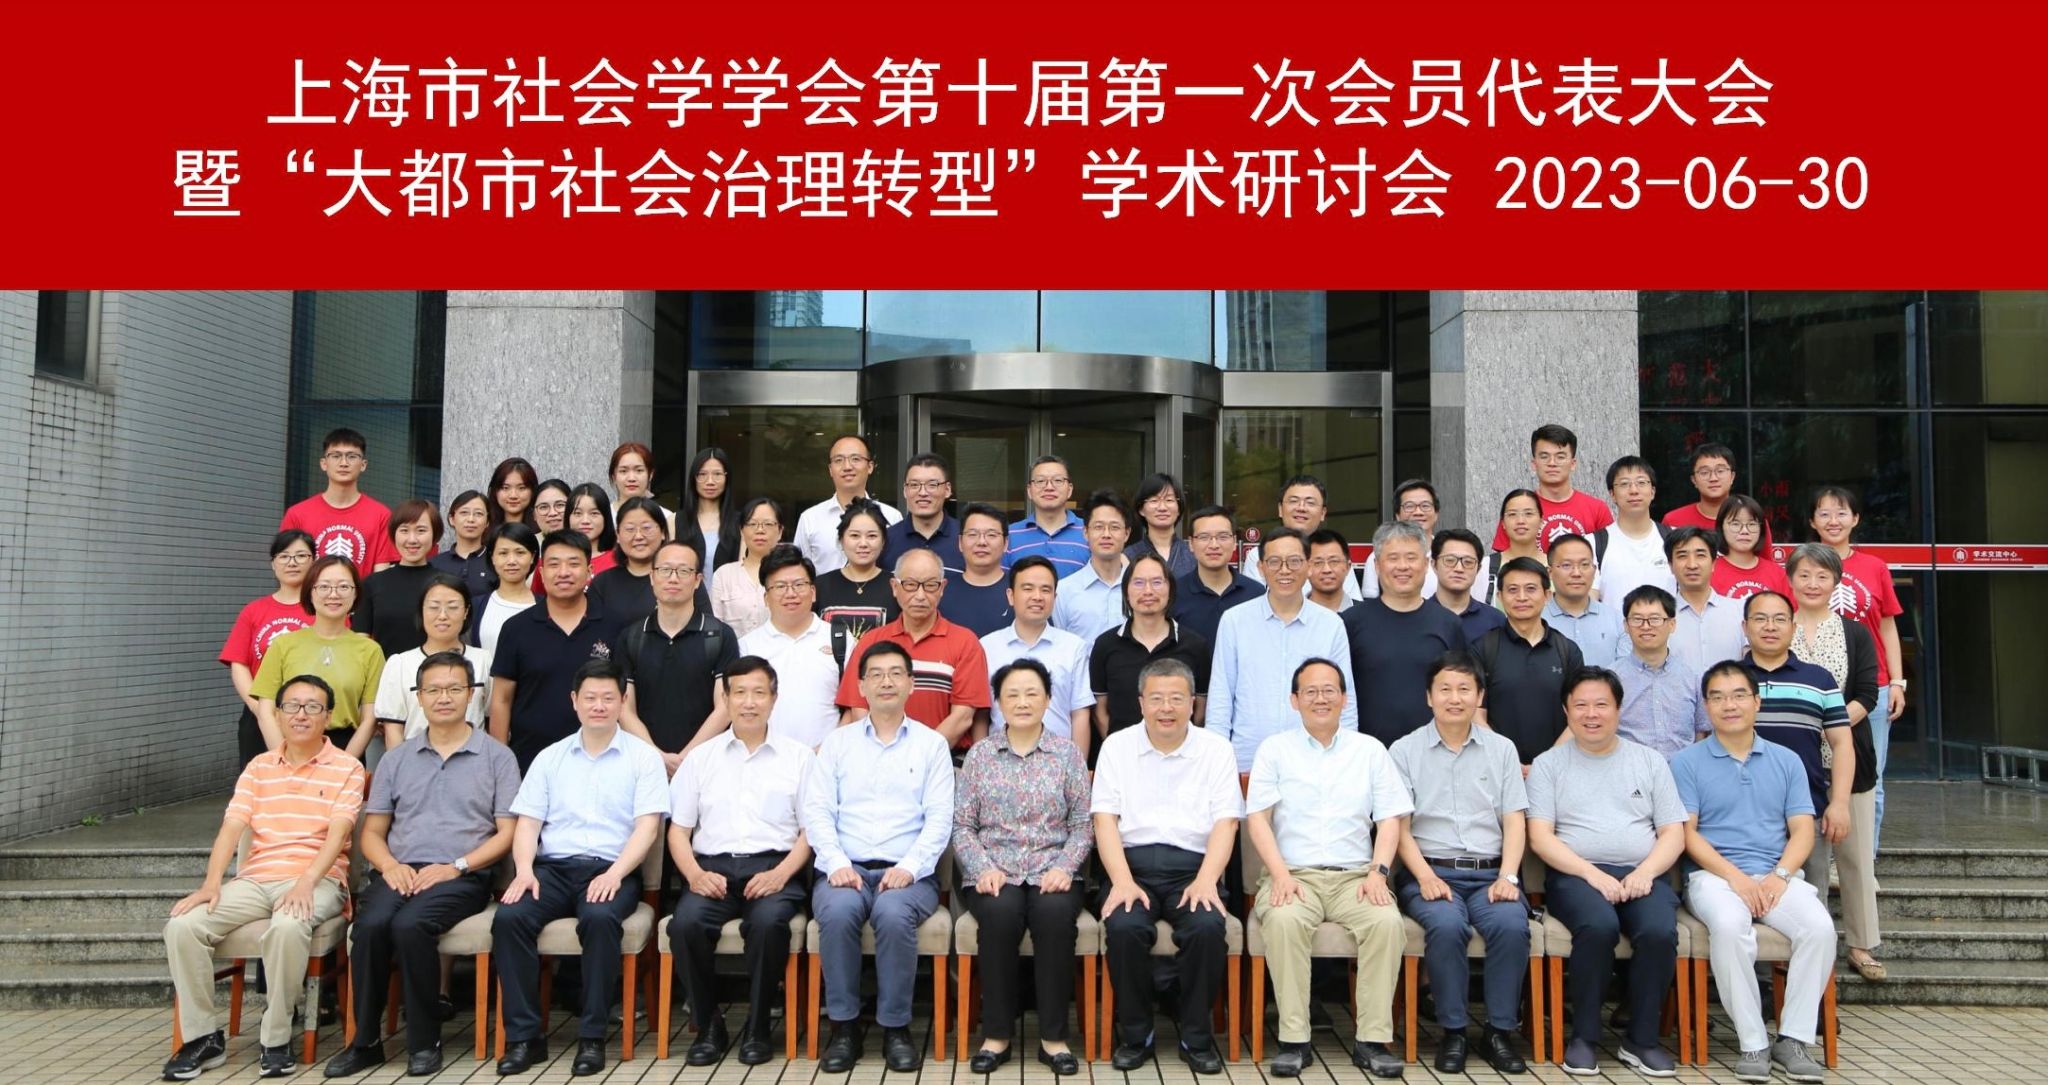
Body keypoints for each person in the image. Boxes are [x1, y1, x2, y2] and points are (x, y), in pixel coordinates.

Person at [162, 675, 367, 1082]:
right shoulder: (259, 768)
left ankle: (275, 1039)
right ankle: (203, 1038)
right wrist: (212, 882)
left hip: (319, 879)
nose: (301, 715)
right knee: (183, 925)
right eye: (292, 706)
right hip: (256, 879)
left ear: (328, 717)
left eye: (312, 707)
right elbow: (231, 828)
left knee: (288, 925)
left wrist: (307, 880)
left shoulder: (347, 767)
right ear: (278, 714)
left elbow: (339, 834)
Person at [326, 652, 520, 1079]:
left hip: (462, 874)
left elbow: (507, 833)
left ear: (472, 695)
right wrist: (390, 866)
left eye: (454, 689)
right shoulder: (396, 759)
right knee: (370, 926)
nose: (443, 698)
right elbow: (372, 832)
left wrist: (457, 866)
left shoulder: (497, 757)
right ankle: (365, 1043)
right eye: (433, 690)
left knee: (411, 925)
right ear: (418, 697)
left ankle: (424, 1041)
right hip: (400, 869)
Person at [492, 659, 668, 1077]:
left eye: (608, 698)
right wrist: (523, 870)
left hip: (612, 869)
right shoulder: (550, 758)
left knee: (600, 918)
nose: (599, 706)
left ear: (622, 701)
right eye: (590, 698)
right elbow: (528, 823)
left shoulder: (643, 758)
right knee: (510, 918)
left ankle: (592, 1037)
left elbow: (647, 828)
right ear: (574, 701)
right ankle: (524, 1038)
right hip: (551, 870)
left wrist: (615, 874)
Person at [1247, 659, 1412, 1080]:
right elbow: (1258, 819)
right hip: (1293, 875)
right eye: (1310, 691)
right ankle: (1293, 1041)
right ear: (1294, 700)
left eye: (1329, 690)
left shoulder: (1369, 750)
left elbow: (1390, 819)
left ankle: (1371, 1041)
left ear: (1344, 698)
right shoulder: (1274, 749)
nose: (1320, 698)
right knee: (1284, 921)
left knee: (1386, 923)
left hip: (1356, 876)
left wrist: (1378, 873)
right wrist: (1280, 875)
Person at [1674, 662, 1836, 1085]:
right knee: (1730, 927)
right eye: (1717, 697)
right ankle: (1752, 1041)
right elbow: (1688, 835)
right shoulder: (1686, 762)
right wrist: (1736, 878)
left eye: (1738, 695)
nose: (1729, 705)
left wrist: (1780, 875)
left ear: (1756, 702)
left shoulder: (1787, 761)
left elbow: (1803, 830)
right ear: (1706, 706)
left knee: (1819, 928)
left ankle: (1793, 1039)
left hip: (1775, 874)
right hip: (1713, 877)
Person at [804, 641, 956, 1074]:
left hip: (910, 873)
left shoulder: (931, 745)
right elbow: (817, 811)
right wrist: (836, 863)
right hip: (844, 869)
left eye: (895, 673)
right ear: (861, 686)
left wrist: (909, 867)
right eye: (876, 674)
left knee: (892, 914)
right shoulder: (837, 744)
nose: (886, 682)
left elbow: (940, 819)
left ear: (911, 683)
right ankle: (844, 1028)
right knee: (837, 913)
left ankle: (896, 1028)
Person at [1526, 667, 1685, 1077]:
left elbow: (1673, 833)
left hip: (1642, 874)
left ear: (1618, 709)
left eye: (1601, 704)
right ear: (1566, 711)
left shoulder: (1649, 761)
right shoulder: (1549, 765)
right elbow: (1540, 837)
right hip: (1576, 876)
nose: (1591, 714)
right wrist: (1590, 874)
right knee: (1598, 926)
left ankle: (1642, 1040)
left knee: (1658, 931)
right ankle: (1584, 1037)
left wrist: (1646, 872)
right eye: (1580, 705)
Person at [1094, 658, 1244, 1075]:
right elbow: (1104, 820)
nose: (1166, 708)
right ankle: (1136, 1035)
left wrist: (1207, 881)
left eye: (1176, 698)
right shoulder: (1117, 747)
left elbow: (1227, 822)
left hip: (1193, 870)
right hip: (1132, 868)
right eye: (1156, 698)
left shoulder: (1216, 750)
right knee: (1124, 927)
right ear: (1141, 702)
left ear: (1193, 703)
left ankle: (1196, 1037)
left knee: (1207, 927)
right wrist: (1121, 881)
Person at [667, 656, 815, 1067]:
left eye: (759, 693)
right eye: (740, 693)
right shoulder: (701, 758)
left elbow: (811, 831)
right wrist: (694, 874)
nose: (749, 702)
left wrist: (781, 874)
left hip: (774, 867)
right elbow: (678, 831)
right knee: (685, 925)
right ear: (726, 699)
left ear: (774, 698)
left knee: (768, 925)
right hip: (711, 869)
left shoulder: (799, 758)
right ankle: (708, 1024)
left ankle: (758, 1025)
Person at [1390, 653, 1531, 1076]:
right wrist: (1424, 876)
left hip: (1491, 873)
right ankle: (1453, 1031)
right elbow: (1398, 827)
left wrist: (1509, 876)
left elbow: (1515, 819)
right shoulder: (1404, 750)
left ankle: (1499, 1032)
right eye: (1445, 689)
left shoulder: (1502, 749)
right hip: (1430, 872)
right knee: (1447, 926)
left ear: (1479, 696)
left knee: (1511, 926)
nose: (1455, 698)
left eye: (1464, 689)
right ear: (1429, 697)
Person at [955, 659, 1092, 1076]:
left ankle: (1054, 1040)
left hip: (1054, 870)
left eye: (1032, 693)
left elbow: (1083, 824)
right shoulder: (981, 755)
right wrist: (982, 868)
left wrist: (1065, 867)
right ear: (998, 703)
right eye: (1012, 694)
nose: (1023, 702)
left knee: (1053, 916)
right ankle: (996, 1036)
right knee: (999, 914)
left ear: (1048, 700)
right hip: (994, 870)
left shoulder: (1067, 754)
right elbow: (962, 826)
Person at [1786, 543, 1885, 982]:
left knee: (1854, 856)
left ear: (1836, 582)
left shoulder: (1855, 633)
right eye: (1804, 575)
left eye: (1822, 576)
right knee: (1802, 858)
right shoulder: (1778, 626)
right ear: (1791, 580)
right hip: (1793, 764)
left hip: (1848, 757)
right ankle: (1804, 942)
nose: (1812, 584)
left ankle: (1861, 945)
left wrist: (1833, 723)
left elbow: (1868, 692)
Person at [1211, 527, 1356, 771]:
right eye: (1274, 562)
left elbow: (1345, 700)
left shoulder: (1331, 625)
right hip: (1248, 759)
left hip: (1315, 761)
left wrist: (1346, 760)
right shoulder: (1234, 621)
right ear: (1261, 568)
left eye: (1294, 561)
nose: (1285, 570)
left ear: (1308, 566)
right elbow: (1221, 697)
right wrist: (1217, 762)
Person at [1738, 593, 1855, 894]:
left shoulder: (1819, 680)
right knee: (1744, 901)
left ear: (1793, 627)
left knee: (1812, 902)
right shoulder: (1729, 679)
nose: (1770, 626)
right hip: (1739, 816)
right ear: (1745, 626)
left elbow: (1842, 743)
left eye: (1779, 619)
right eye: (1760, 619)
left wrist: (1839, 803)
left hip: (1807, 811)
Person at [1810, 485, 1905, 844]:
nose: (1833, 521)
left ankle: (1867, 858)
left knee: (1870, 779)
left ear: (1856, 519)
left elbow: (1887, 625)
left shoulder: (1874, 567)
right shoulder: (1803, 565)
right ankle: (1820, 858)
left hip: (1871, 687)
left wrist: (1897, 681)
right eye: (1824, 513)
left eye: (1841, 513)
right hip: (1815, 687)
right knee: (1816, 776)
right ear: (1812, 521)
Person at [488, 530, 617, 772]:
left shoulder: (613, 626)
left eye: (574, 564)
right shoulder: (516, 628)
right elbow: (502, 699)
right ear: (541, 571)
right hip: (530, 761)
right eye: (554, 564)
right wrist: (500, 764)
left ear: (589, 571)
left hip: (600, 761)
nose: (563, 572)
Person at [834, 549, 990, 749]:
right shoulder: (871, 641)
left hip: (941, 758)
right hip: (877, 756)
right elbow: (859, 709)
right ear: (894, 587)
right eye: (910, 585)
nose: (920, 595)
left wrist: (919, 756)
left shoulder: (965, 642)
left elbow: (963, 717)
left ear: (942, 588)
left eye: (930, 585)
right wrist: (887, 753)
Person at [619, 539, 738, 773]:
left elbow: (725, 707)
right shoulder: (631, 637)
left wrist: (686, 759)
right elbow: (624, 708)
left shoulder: (719, 635)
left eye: (683, 571)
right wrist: (657, 757)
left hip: (707, 766)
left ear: (697, 580)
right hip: (644, 766)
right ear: (652, 577)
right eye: (665, 570)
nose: (673, 578)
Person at [1345, 521, 1467, 746]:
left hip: (1434, 752)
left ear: (1426, 564)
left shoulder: (1449, 624)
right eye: (1393, 558)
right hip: (1368, 753)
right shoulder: (1351, 622)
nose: (1402, 566)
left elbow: (1460, 691)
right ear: (1377, 566)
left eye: (1411, 558)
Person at [251, 555, 384, 761]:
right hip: (290, 746)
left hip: (346, 749)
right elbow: (266, 711)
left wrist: (343, 765)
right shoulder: (283, 645)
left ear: (355, 593)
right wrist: (284, 759)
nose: (334, 594)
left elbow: (370, 718)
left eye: (343, 587)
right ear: (310, 592)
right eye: (324, 587)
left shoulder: (370, 650)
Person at [1091, 552, 1212, 759]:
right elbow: (1100, 711)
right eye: (1138, 583)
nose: (1148, 591)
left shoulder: (1195, 645)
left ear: (1170, 589)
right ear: (1126, 591)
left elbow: (1200, 709)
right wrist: (1121, 750)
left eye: (1157, 582)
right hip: (1124, 758)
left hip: (1181, 758)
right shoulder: (1106, 645)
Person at [1471, 558, 1585, 766]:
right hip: (1497, 767)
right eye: (1512, 590)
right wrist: (1509, 762)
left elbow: (1579, 715)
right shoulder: (1482, 649)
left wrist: (1546, 764)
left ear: (1547, 596)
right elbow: (1475, 713)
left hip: (1557, 769)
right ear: (1500, 596)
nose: (1521, 597)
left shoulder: (1567, 650)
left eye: (1531, 589)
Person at [980, 556, 1094, 759]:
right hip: (999, 764)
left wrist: (1077, 768)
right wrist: (983, 763)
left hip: (1058, 763)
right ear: (1011, 596)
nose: (1037, 597)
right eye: (1028, 588)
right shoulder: (987, 647)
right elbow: (980, 715)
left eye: (1046, 590)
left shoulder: (1073, 647)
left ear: (1055, 597)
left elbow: (1080, 714)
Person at [221, 530, 316, 766]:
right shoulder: (253, 611)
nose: (292, 563)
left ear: (314, 561)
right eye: (284, 556)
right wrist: (259, 708)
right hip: (259, 712)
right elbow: (239, 663)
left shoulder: (324, 609)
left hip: (311, 713)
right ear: (273, 564)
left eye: (301, 556)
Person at [738, 546, 844, 748]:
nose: (790, 593)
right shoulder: (747, 646)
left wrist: (825, 753)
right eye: (780, 586)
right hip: (766, 758)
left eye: (799, 585)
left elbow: (854, 706)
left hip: (827, 760)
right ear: (766, 598)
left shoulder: (840, 640)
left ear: (813, 592)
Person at [373, 572, 493, 746]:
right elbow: (393, 731)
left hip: (475, 758)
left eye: (453, 607)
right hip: (416, 759)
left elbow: (493, 719)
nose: (442, 615)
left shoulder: (484, 660)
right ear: (421, 611)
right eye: (434, 607)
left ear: (466, 612)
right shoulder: (400, 664)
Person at [279, 427, 397, 572]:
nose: (344, 463)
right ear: (324, 463)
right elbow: (289, 570)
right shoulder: (297, 514)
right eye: (336, 456)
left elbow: (382, 574)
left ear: (363, 465)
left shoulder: (381, 515)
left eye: (352, 456)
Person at [1614, 586, 1709, 758]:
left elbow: (1701, 732)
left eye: (1655, 619)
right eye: (1637, 619)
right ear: (1626, 625)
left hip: (1681, 771)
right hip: (1630, 771)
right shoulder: (1611, 678)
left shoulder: (1693, 677)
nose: (1646, 626)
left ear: (1672, 625)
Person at [1488, 424, 1615, 552]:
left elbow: (1609, 556)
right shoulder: (1517, 509)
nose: (1552, 463)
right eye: (1544, 456)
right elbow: (1503, 559)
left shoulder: (1597, 509)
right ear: (1534, 464)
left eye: (1560, 457)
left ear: (1573, 464)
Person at [794, 434, 903, 575]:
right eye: (838, 460)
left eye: (855, 459)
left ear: (870, 467)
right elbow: (799, 572)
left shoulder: (891, 516)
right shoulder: (810, 519)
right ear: (830, 469)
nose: (847, 467)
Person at [591, 494, 702, 630]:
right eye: (630, 529)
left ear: (662, 532)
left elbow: (706, 626)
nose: (638, 536)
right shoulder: (602, 583)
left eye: (647, 528)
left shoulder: (683, 577)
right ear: (618, 536)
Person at [1244, 474, 1362, 601]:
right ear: (1280, 509)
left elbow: (1352, 605)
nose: (1301, 508)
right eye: (1293, 501)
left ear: (1323, 513)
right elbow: (1253, 606)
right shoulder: (1259, 555)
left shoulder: (1336, 555)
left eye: (1310, 503)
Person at [352, 497, 443, 657]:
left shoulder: (446, 584)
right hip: (385, 670)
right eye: (404, 530)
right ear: (393, 535)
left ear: (434, 535)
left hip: (436, 670)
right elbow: (361, 644)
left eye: (421, 530)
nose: (412, 539)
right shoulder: (372, 584)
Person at [811, 498, 899, 651]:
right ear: (841, 540)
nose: (863, 544)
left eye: (872, 536)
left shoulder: (897, 586)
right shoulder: (820, 585)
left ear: (883, 541)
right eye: (855, 536)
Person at [1052, 489, 1134, 645]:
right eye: (1098, 527)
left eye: (1114, 527)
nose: (1106, 534)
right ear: (1085, 533)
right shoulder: (1064, 591)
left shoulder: (1141, 589)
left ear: (1127, 534)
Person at [1591, 457, 1675, 606]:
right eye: (1624, 484)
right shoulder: (1593, 543)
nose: (1634, 491)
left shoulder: (1676, 539)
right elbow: (1588, 602)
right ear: (1612, 494)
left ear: (1653, 491)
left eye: (1641, 483)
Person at [1173, 504, 1261, 644]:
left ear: (1234, 542)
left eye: (1222, 536)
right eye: (1204, 537)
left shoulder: (1256, 593)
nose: (1214, 545)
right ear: (1191, 544)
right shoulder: (1174, 594)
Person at [1662, 443, 1774, 552]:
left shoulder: (1753, 520)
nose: (1713, 478)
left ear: (1732, 477)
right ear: (1694, 480)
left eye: (1720, 471)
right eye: (1704, 472)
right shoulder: (1673, 521)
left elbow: (1766, 563)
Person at [1666, 526, 1746, 673]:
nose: (1692, 565)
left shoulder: (1740, 611)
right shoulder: (1660, 617)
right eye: (1682, 556)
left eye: (1700, 555)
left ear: (1713, 563)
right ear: (1671, 565)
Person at [1542, 533, 1625, 665]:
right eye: (1566, 565)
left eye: (1584, 565)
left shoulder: (1617, 621)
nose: (1576, 573)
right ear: (1550, 572)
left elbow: (1625, 671)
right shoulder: (1536, 621)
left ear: (1595, 570)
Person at [711, 496, 785, 637]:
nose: (760, 530)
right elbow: (715, 627)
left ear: (780, 531)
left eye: (768, 524)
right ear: (741, 531)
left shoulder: (791, 574)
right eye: (752, 524)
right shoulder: (724, 575)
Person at [1006, 455, 1089, 577]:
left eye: (1058, 480)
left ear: (1069, 489)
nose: (1049, 487)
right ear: (1029, 490)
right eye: (1040, 481)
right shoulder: (1010, 535)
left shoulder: (1090, 532)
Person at [881, 452, 963, 574]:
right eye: (914, 485)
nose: (923, 493)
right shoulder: (885, 541)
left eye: (932, 485)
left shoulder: (967, 538)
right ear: (905, 490)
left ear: (947, 490)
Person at [939, 502, 1015, 636]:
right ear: (960, 542)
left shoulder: (1021, 589)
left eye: (991, 535)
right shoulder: (940, 591)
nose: (981, 542)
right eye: (973, 534)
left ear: (1006, 543)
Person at [1362, 479, 1441, 600]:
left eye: (1425, 506)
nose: (1418, 512)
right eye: (1409, 506)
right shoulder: (1379, 556)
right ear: (1397, 515)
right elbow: (1370, 601)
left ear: (1436, 514)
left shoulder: (1447, 556)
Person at [468, 521, 538, 651]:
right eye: (503, 553)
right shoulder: (476, 607)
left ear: (532, 557)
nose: (511, 561)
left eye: (520, 552)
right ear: (492, 557)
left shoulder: (547, 607)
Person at [1431, 527, 1509, 641]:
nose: (1459, 568)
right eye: (1450, 560)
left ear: (1478, 569)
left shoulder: (1496, 621)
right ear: (1434, 565)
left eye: (1468, 562)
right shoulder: (1417, 617)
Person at [1713, 494, 1792, 601]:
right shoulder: (1709, 571)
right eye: (1735, 524)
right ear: (1721, 527)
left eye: (1752, 524)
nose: (1744, 531)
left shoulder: (1778, 574)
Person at [430, 489, 497, 597]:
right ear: (452, 519)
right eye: (464, 513)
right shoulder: (434, 564)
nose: (471, 519)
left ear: (487, 522)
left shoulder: (496, 563)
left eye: (478, 514)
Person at [1127, 472, 1196, 577]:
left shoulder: (1193, 552)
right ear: (1141, 509)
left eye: (1169, 500)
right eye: (1154, 500)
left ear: (1178, 509)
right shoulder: (1128, 555)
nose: (1162, 508)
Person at [1489, 490, 1547, 608]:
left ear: (1541, 521)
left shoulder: (1556, 567)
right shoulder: (1486, 567)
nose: (1520, 521)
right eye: (1512, 514)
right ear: (1503, 523)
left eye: (1528, 513)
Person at [683, 448, 738, 572]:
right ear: (693, 478)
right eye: (702, 474)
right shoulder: (675, 521)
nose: (710, 481)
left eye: (717, 474)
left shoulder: (741, 522)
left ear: (727, 478)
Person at [608, 441, 676, 534]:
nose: (631, 478)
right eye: (623, 471)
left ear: (650, 475)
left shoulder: (666, 518)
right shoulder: (604, 517)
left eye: (639, 470)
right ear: (614, 477)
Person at [562, 483, 620, 582]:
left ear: (606, 518)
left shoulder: (619, 562)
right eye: (578, 513)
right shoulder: (552, 560)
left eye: (594, 513)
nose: (585, 521)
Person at [1306, 528, 1357, 614]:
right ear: (1305, 568)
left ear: (1348, 567)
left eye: (1334, 561)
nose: (1327, 570)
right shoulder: (1292, 615)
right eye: (1318, 562)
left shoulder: (1367, 615)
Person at [486, 457, 540, 529]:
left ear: (533, 491)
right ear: (495, 491)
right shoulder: (482, 531)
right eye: (505, 488)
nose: (513, 495)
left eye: (521, 488)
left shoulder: (543, 531)